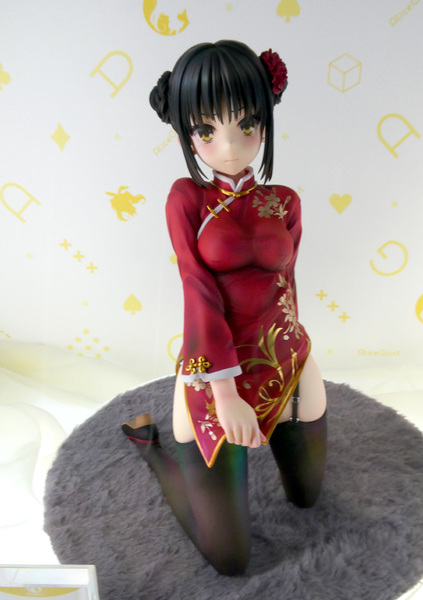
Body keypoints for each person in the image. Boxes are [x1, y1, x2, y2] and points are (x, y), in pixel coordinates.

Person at [122, 40, 327, 576]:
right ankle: (151, 449)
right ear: (185, 134)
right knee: (230, 560)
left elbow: (286, 288)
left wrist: (301, 360)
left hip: (287, 363)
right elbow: (197, 289)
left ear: (265, 121)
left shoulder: (285, 201)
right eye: (207, 131)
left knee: (308, 496)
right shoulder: (187, 199)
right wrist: (225, 392)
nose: (231, 146)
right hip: (213, 373)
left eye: (247, 124)